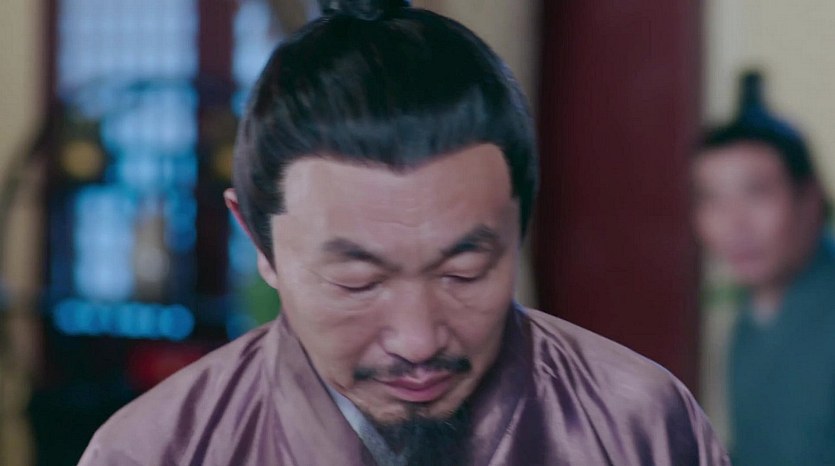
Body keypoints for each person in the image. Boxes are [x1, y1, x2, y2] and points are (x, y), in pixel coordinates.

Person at [80, 1, 728, 464]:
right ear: (256, 241)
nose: (417, 340)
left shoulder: (638, 425)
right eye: (357, 281)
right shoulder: (155, 450)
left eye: (463, 272)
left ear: (519, 225)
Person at [693, 72, 835, 466]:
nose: (733, 223)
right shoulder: (749, 319)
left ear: (810, 200)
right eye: (712, 200)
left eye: (756, 193)